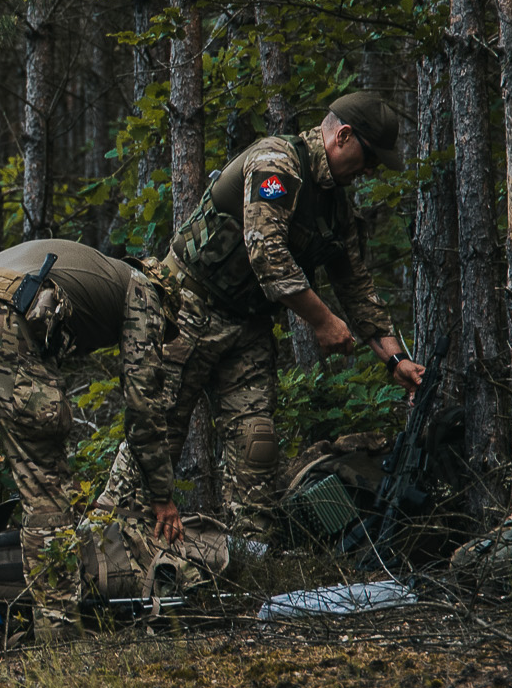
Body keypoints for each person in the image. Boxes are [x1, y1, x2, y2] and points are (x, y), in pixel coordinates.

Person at [97, 92, 427, 541]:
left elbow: (357, 287)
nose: (369, 172)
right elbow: (266, 254)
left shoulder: (336, 208)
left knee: (256, 448)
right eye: (369, 159)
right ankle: (96, 550)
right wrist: (323, 321)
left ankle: (244, 573)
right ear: (343, 136)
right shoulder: (277, 162)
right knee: (154, 440)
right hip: (188, 307)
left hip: (248, 328)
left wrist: (395, 361)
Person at [0, 239, 175, 644]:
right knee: (44, 487)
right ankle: (58, 635)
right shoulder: (144, 290)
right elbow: (144, 404)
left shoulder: (94, 268)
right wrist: (160, 493)